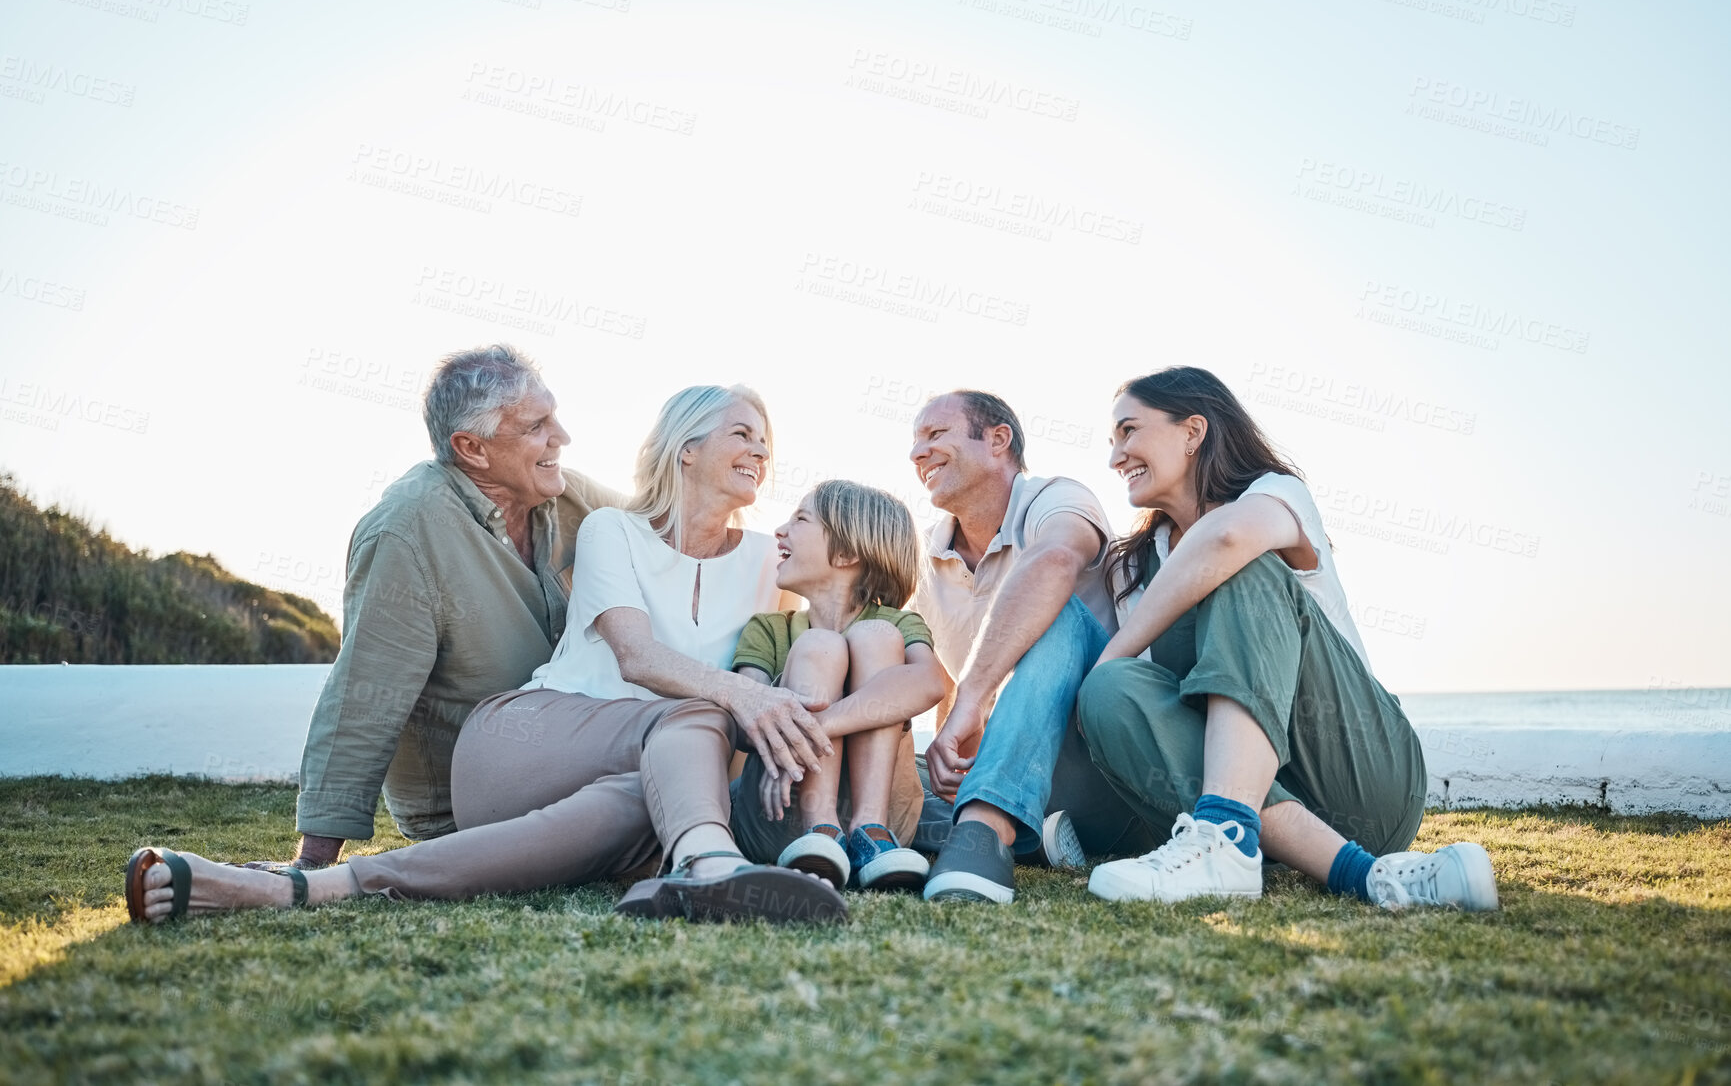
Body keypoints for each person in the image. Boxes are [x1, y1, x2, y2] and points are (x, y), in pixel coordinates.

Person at [127, 385, 846, 925]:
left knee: (648, 797)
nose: (761, 451)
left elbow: (824, 632)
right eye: (743, 433)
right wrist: (741, 699)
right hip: (524, 741)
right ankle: (709, 862)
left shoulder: (768, 561)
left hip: (655, 770)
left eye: (767, 441)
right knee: (696, 713)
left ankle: (287, 889)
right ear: (686, 447)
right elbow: (635, 655)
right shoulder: (611, 532)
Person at [1078, 366, 1498, 911]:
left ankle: (1227, 830)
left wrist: (1116, 648)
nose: (1115, 457)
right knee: (1107, 690)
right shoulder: (1131, 570)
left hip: (1360, 774)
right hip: (1267, 827)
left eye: (1129, 431)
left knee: (1241, 567)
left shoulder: (1273, 496)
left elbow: (1228, 537)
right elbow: (1145, 711)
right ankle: (1345, 872)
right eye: (1112, 441)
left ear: (1193, 431)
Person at [287, 344, 623, 869]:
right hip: (467, 796)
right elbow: (366, 693)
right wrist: (313, 861)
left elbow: (669, 528)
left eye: (554, 417)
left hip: (566, 759)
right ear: (472, 448)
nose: (562, 437)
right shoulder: (408, 528)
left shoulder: (566, 495)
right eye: (536, 426)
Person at [912, 391, 1156, 904]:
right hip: (1016, 772)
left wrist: (972, 701)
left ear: (998, 440)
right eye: (915, 442)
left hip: (1105, 767)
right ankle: (1026, 836)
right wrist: (948, 762)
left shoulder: (1054, 497)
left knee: (1056, 608)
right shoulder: (927, 561)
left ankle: (987, 830)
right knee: (888, 769)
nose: (918, 453)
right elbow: (939, 691)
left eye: (935, 435)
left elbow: (1054, 560)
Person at [728, 480, 948, 892]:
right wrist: (781, 736)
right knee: (820, 646)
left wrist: (806, 730)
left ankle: (869, 828)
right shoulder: (768, 629)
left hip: (888, 822)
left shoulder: (901, 625)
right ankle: (820, 831)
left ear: (847, 553)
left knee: (877, 637)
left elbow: (929, 682)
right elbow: (745, 724)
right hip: (780, 816)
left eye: (800, 519)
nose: (780, 530)